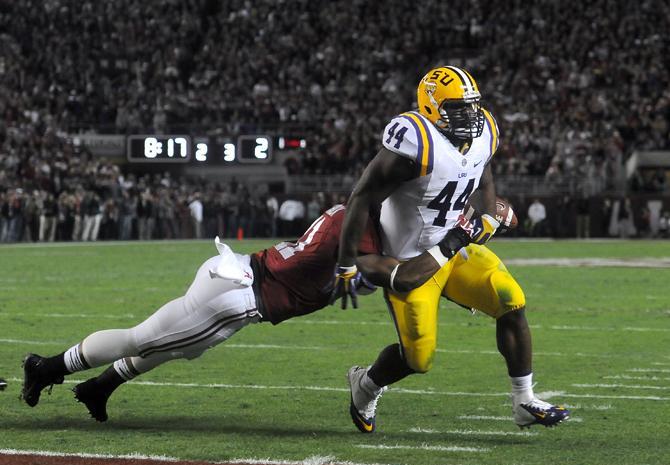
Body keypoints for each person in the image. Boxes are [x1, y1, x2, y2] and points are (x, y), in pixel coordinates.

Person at [20, 204, 450, 422]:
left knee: (175, 347)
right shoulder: (353, 232)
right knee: (144, 338)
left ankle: (100, 387)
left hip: (238, 283)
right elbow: (400, 276)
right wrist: (458, 238)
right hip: (239, 293)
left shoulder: (353, 220)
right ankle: (47, 367)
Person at [332, 65, 569, 433]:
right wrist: (347, 264)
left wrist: (487, 216)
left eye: (472, 106)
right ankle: (366, 384)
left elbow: (483, 172)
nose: (470, 116)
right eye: (458, 108)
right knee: (418, 358)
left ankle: (524, 400)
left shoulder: (484, 131)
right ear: (431, 108)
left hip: (455, 249)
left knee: (511, 299)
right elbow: (361, 197)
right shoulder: (415, 143)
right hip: (411, 260)